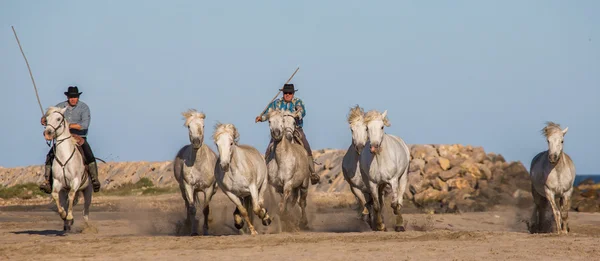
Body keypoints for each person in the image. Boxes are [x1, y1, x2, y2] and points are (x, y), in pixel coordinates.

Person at [39, 86, 101, 193]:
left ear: (78, 97)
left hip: (78, 137)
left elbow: (84, 125)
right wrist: (44, 119)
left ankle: (94, 179)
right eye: (71, 97)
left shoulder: (84, 108)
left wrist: (68, 125)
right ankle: (47, 181)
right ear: (67, 97)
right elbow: (48, 117)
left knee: (88, 153)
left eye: (75, 97)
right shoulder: (59, 107)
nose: (73, 99)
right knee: (50, 155)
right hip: (62, 138)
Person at [255, 83, 320, 185]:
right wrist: (261, 118)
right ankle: (266, 173)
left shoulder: (298, 102)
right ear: (283, 93)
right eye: (285, 93)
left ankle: (312, 173)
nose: (287, 95)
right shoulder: (276, 104)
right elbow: (269, 114)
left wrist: (298, 114)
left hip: (296, 129)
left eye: (290, 93)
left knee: (306, 147)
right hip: (281, 131)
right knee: (269, 149)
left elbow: (302, 111)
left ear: (293, 94)